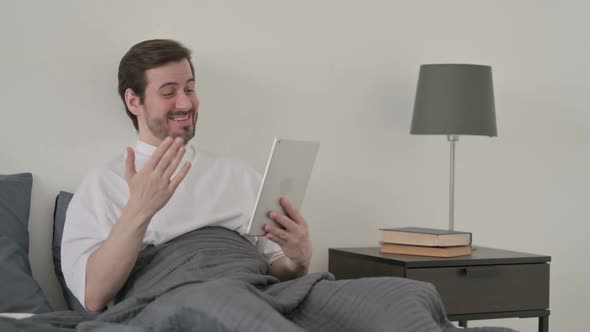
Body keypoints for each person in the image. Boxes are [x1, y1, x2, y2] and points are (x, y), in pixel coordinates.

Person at [61, 39, 312, 313]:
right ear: (134, 101)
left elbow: (279, 274)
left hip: (256, 296)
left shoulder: (238, 175)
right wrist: (139, 210)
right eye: (168, 92)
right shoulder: (102, 185)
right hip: (179, 304)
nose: (185, 102)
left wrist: (297, 260)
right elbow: (93, 296)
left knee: (361, 294)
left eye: (189, 89)